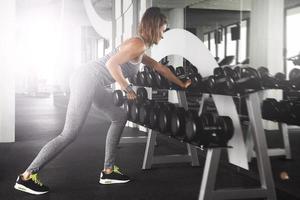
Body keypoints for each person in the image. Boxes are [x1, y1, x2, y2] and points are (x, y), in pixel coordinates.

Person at [14, 7, 191, 195]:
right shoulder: (137, 44)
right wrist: (126, 87)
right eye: (163, 30)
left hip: (93, 81)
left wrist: (181, 83)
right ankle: (27, 176)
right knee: (70, 133)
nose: (163, 36)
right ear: (155, 27)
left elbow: (159, 67)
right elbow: (110, 64)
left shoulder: (141, 48)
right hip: (86, 78)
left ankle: (108, 171)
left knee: (119, 116)